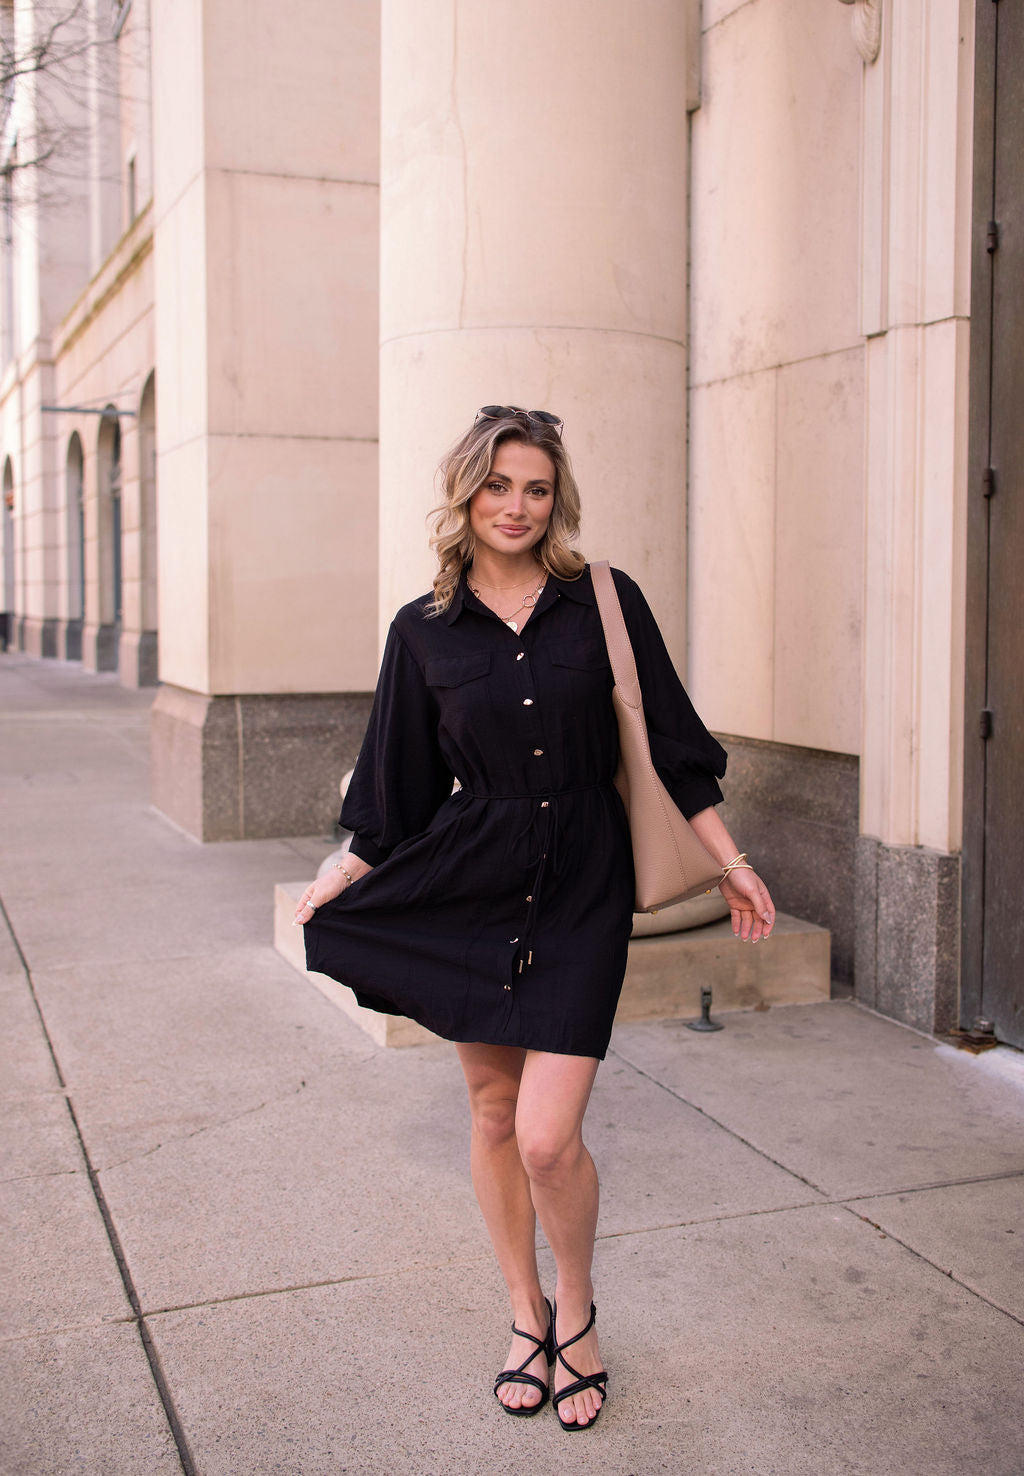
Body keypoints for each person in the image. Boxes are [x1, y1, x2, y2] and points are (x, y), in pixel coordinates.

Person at [297, 405, 775, 1432]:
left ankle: (579, 1308)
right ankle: (526, 1315)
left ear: (557, 499)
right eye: (498, 485)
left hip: (582, 884)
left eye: (536, 488)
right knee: (490, 1115)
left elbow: (673, 747)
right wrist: (344, 869)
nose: (516, 506)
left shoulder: (601, 602)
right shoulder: (421, 630)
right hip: (472, 881)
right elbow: (396, 783)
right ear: (465, 491)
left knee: (549, 1138)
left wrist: (730, 860)